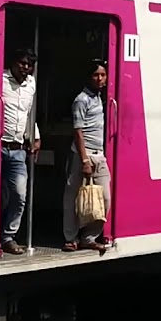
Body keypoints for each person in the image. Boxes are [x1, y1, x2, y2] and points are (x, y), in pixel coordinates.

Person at [64, 60, 111, 252]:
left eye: (103, 75)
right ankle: (71, 238)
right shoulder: (81, 100)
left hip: (99, 156)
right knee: (73, 197)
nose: (100, 79)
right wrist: (84, 160)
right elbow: (78, 132)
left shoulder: (100, 98)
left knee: (106, 198)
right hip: (83, 155)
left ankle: (89, 237)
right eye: (95, 75)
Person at [0, 48, 40, 255]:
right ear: (14, 62)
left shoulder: (31, 84)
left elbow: (29, 112)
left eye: (29, 64)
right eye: (22, 63)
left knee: (19, 195)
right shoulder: (0, 79)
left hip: (18, 150)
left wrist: (36, 135)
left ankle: (8, 237)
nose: (25, 68)